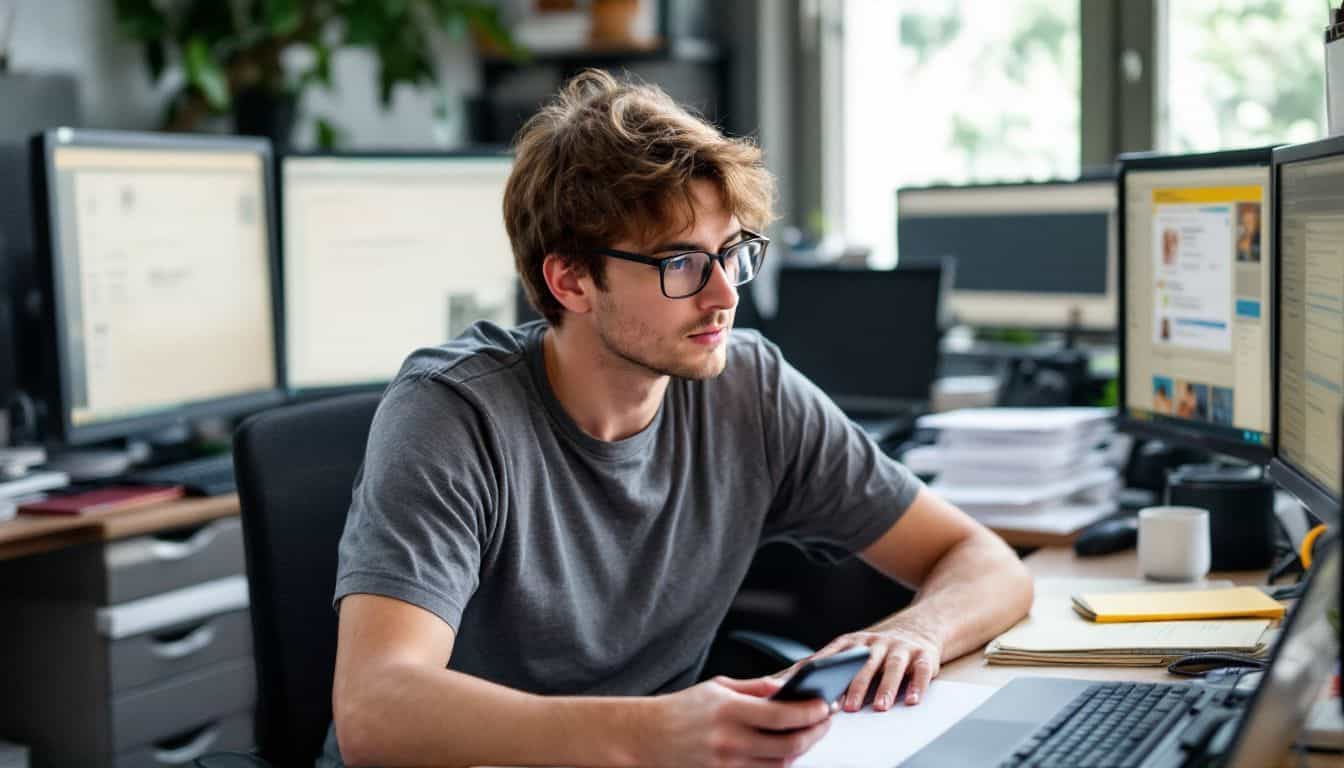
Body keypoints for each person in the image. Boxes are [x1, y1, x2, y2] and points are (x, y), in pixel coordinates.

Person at [324, 70, 1032, 768]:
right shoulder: (455, 412)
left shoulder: (749, 388)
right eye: (683, 263)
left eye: (731, 254)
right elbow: (376, 710)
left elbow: (984, 562)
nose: (723, 295)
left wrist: (916, 633)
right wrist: (651, 734)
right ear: (569, 279)